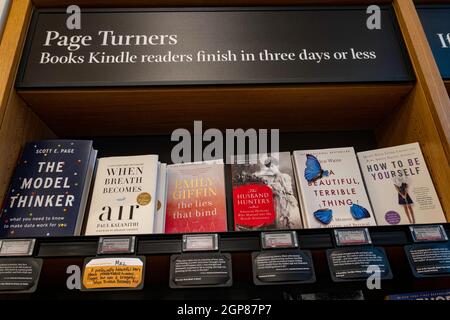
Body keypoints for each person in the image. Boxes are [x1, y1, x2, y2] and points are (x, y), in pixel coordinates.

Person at [254, 155, 300, 229]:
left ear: (277, 166)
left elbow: (288, 191)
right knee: (280, 222)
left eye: (272, 166)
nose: (271, 169)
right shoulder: (271, 180)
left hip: (286, 201)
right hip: (277, 202)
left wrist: (278, 189)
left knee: (290, 220)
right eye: (269, 168)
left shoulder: (285, 176)